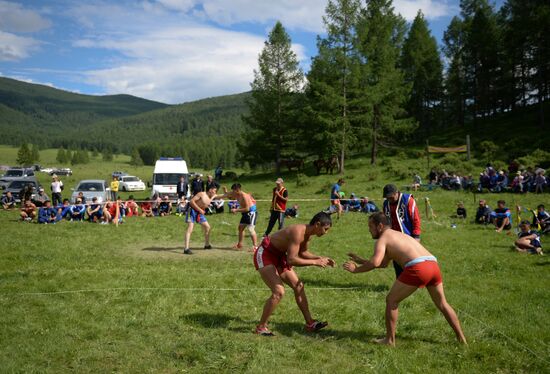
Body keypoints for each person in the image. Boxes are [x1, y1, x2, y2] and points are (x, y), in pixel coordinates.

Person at [343, 212, 467, 346]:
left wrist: (356, 270)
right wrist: (360, 260)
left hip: (418, 268)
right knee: (443, 304)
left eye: (370, 226)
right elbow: (383, 263)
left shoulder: (383, 239)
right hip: (432, 264)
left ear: (379, 226)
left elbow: (375, 263)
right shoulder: (399, 235)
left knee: (391, 300)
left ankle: (389, 340)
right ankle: (461, 339)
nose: (369, 230)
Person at [253, 212, 335, 336]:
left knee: (299, 286)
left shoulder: (308, 235)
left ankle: (310, 323)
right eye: (325, 229)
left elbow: (303, 253)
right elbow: (291, 260)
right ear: (317, 224)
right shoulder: (298, 232)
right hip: (265, 254)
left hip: (279, 256)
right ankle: (261, 327)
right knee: (278, 292)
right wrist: (315, 262)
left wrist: (321, 258)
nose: (326, 232)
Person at [382, 184, 421, 278]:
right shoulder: (386, 204)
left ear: (397, 193)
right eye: (387, 198)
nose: (389, 200)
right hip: (394, 239)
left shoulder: (408, 200)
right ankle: (400, 282)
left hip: (408, 237)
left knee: (411, 262)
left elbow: (415, 219)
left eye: (391, 197)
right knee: (397, 262)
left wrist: (416, 237)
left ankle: (414, 282)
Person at [222, 183, 258, 250]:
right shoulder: (236, 194)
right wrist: (225, 191)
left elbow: (247, 208)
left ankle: (255, 247)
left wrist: (236, 210)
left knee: (251, 229)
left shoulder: (244, 196)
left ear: (237, 190)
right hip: (245, 213)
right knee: (240, 228)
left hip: (251, 212)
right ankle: (240, 244)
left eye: (233, 190)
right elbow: (229, 196)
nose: (232, 192)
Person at [183, 186, 218, 254]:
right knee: (190, 228)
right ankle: (186, 249)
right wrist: (200, 209)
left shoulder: (210, 197)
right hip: (192, 211)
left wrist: (227, 193)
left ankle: (207, 245)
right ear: (210, 190)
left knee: (207, 227)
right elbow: (191, 202)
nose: (215, 192)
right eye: (214, 191)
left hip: (199, 213)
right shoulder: (201, 194)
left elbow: (220, 196)